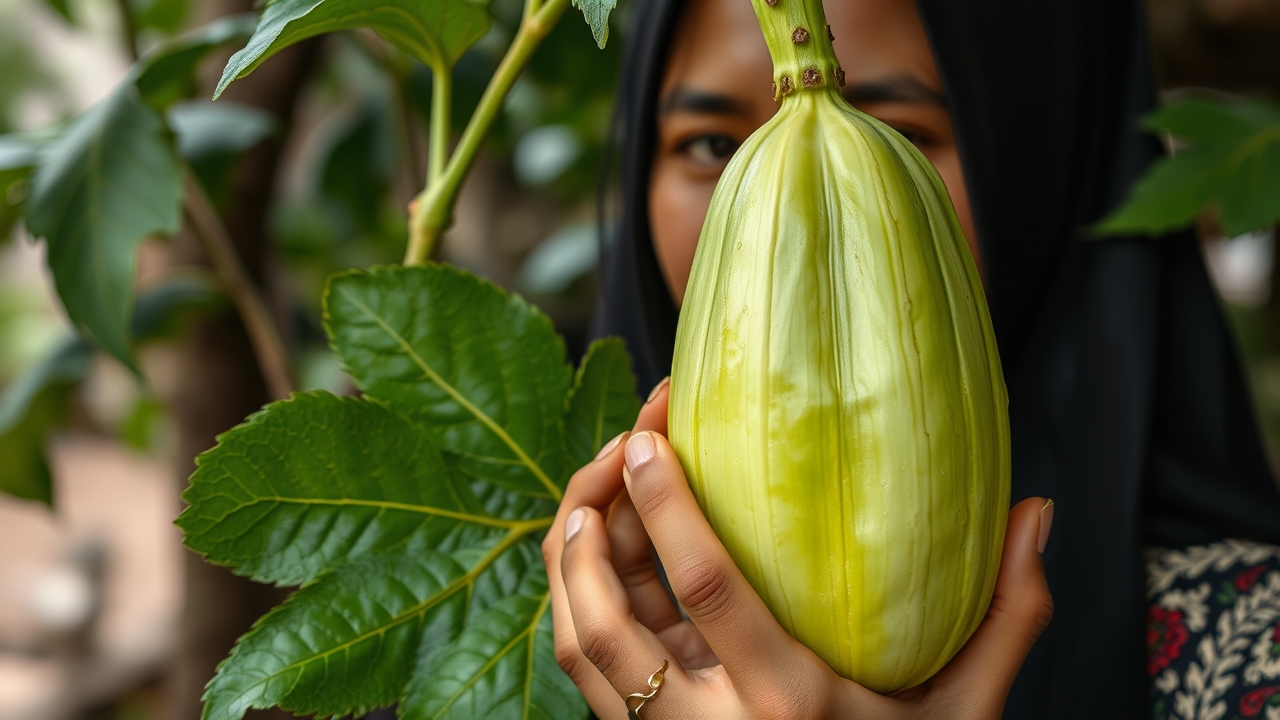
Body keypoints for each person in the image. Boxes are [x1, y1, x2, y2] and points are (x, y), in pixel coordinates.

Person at [543, 0, 1280, 717]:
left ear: (1050, 161)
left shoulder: (1254, 665)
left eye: (898, 129)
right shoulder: (544, 643)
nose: (785, 226)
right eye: (709, 144)